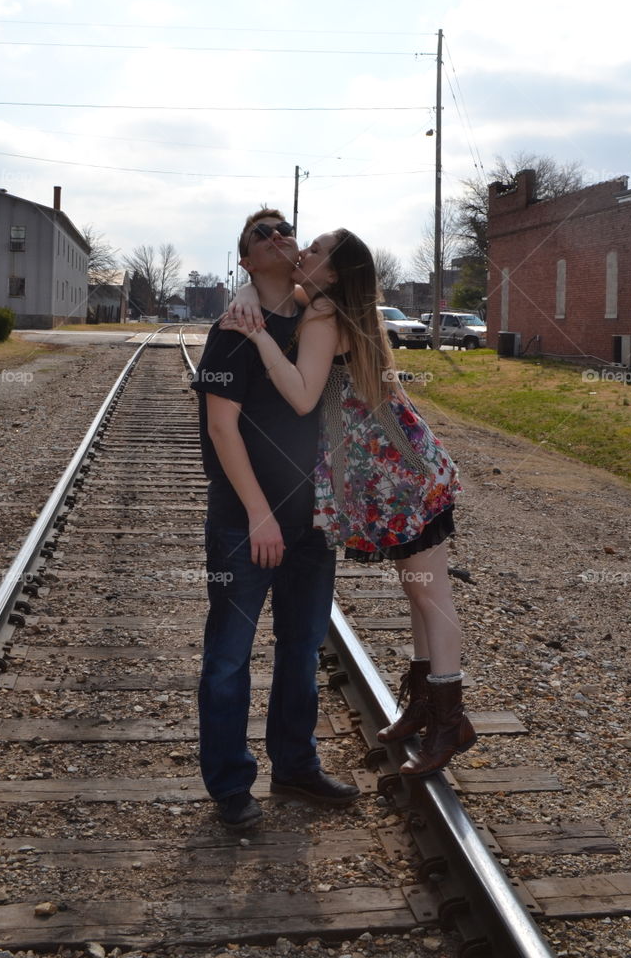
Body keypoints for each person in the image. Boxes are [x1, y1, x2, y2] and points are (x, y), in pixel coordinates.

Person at [222, 228, 477, 777]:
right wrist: (246, 295)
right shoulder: (330, 302)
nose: (303, 254)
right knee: (419, 593)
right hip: (393, 467)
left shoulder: (322, 313)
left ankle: (450, 720)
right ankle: (425, 703)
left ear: (332, 272)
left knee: (432, 597)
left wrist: (259, 336)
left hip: (396, 473)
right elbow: (268, 292)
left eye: (314, 250)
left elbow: (301, 393)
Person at [193, 210, 360, 829]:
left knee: (301, 648)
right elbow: (219, 426)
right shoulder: (233, 329)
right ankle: (231, 786)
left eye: (285, 228)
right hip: (245, 520)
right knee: (230, 657)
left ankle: (295, 765)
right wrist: (259, 514)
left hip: (312, 519)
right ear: (245, 261)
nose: (278, 236)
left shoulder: (320, 317)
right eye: (261, 234)